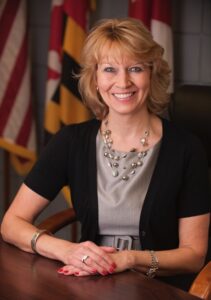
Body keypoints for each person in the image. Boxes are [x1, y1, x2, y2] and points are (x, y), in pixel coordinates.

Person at [1, 18, 210, 291]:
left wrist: (129, 259)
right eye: (109, 69)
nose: (123, 82)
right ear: (95, 79)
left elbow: (193, 256)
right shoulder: (72, 141)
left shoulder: (186, 149)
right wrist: (65, 250)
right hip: (89, 281)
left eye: (135, 68)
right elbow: (11, 224)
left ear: (152, 73)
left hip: (160, 289)